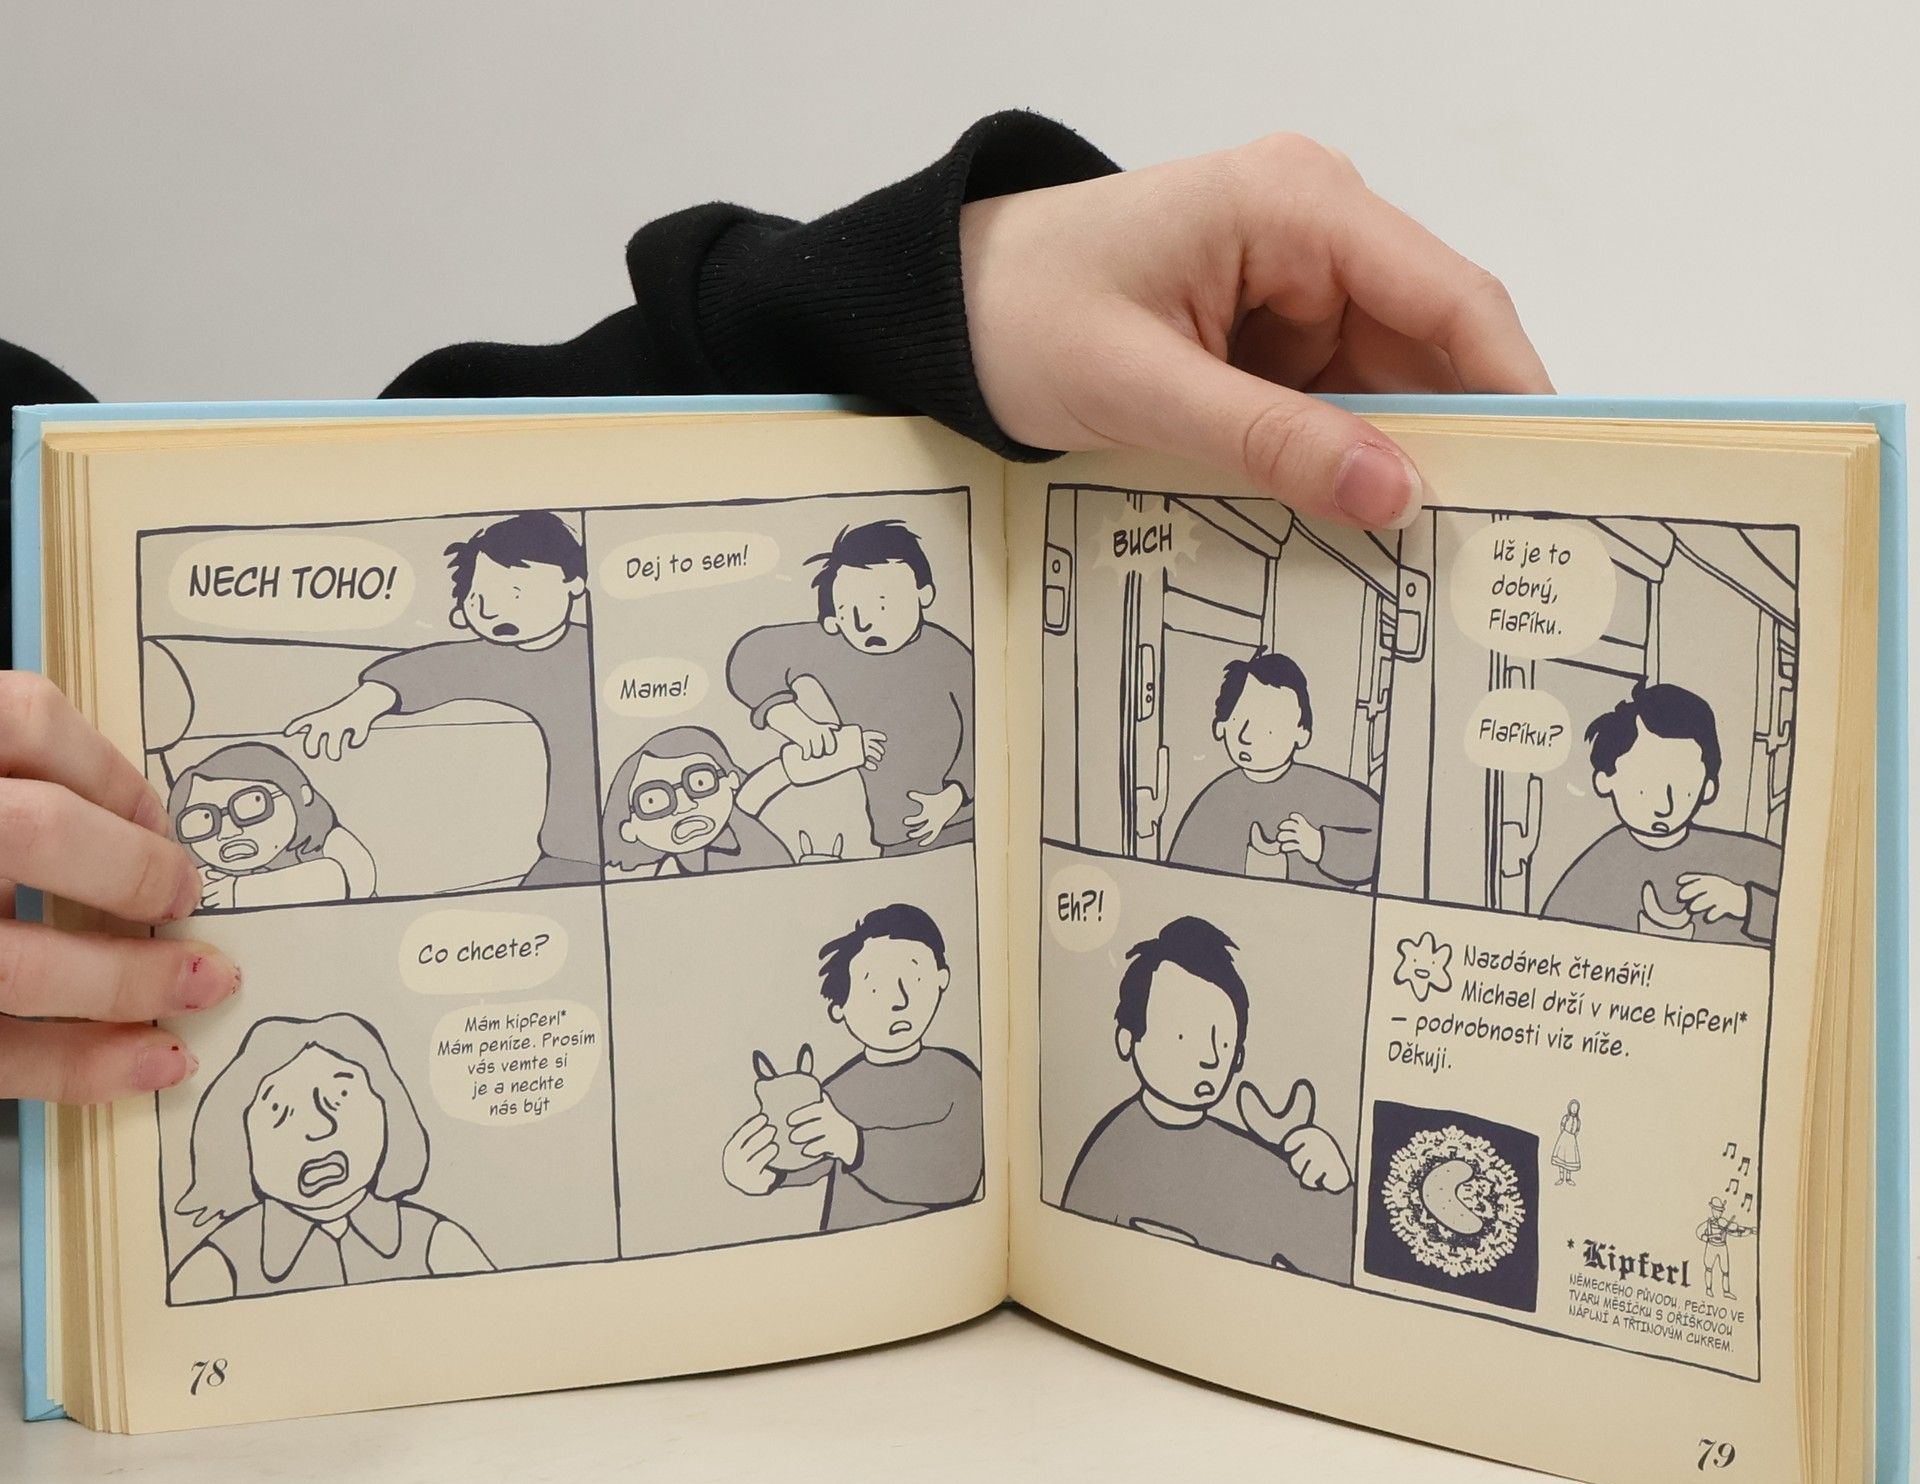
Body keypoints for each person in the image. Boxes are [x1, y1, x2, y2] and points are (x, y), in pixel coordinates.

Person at [0, 117, 1551, 1101]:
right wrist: (779, 722)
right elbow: (722, 653)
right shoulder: (775, 670)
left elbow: (436, 492)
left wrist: (931, 293)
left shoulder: (966, 673)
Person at [283, 511, 598, 889]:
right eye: (478, 598)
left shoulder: (603, 649)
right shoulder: (499, 658)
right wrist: (360, 706)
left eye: (516, 592)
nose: (492, 610)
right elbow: (431, 669)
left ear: (573, 583)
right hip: (571, 855)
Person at [1059, 915, 1355, 1281]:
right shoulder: (1113, 1150)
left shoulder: (1249, 1161)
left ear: (1238, 1057)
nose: (1211, 1057)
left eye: (1224, 1041)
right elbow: (1078, 1252)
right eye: (1184, 1035)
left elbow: (1337, 1257)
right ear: (1128, 1039)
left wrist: (1337, 1188)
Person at [167, 1012, 492, 1302]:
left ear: (387, 1110)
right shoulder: (223, 1263)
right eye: (281, 1110)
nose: (319, 1128)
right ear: (239, 1140)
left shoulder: (434, 1241)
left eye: (340, 1097)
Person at [720, 903, 984, 1230]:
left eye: (914, 977)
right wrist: (763, 1172)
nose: (898, 1001)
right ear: (839, 1008)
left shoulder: (959, 1079)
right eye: (874, 988)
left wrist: (856, 1146)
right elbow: (809, 1159)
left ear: (941, 979)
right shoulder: (838, 1091)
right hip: (851, 1252)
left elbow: (957, 1177)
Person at [727, 521, 974, 856]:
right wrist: (794, 722)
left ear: (923, 594)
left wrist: (954, 797)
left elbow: (981, 730)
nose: (866, 621)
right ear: (832, 621)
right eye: (849, 609)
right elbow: (750, 657)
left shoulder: (947, 655)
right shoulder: (833, 645)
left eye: (883, 601)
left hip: (962, 824)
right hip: (894, 839)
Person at [1541, 682, 1782, 946]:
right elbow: (1550, 943)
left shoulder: (1746, 856)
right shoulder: (1594, 872)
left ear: (1708, 787)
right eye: (1645, 783)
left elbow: (1806, 917)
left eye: (1682, 783)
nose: (1664, 806)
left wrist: (1745, 904)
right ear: (1605, 780)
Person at [1165, 651, 1381, 886]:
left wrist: (1321, 846)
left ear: (1302, 733)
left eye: (1267, 725)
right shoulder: (1216, 799)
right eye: (1238, 719)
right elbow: (1179, 875)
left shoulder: (1326, 791)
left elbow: (1385, 842)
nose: (1246, 736)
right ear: (1221, 726)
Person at [168, 741, 377, 909]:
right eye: (203, 819)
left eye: (252, 803)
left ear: (302, 795)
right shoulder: (207, 873)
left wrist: (240, 892)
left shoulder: (328, 840)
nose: (228, 831)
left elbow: (351, 880)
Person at [600, 726, 796, 878]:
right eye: (653, 801)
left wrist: (796, 763)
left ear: (731, 780)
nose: (685, 806)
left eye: (700, 782)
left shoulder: (740, 814)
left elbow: (773, 777)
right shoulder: (671, 870)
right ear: (629, 829)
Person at [1695, 1194, 1753, 1299]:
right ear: (1712, 1210)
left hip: (1722, 1247)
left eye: (1720, 1211)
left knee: (1725, 1270)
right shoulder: (1708, 1223)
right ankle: (1708, 1289)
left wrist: (1748, 1231)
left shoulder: (1724, 1223)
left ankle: (1726, 1291)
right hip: (1711, 1246)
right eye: (1717, 1210)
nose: (1718, 1213)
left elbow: (1734, 1231)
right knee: (1708, 1268)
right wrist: (1710, 1237)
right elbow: (1699, 1233)